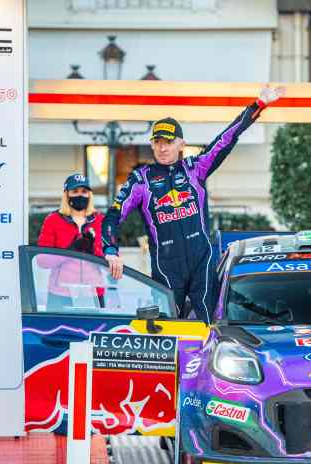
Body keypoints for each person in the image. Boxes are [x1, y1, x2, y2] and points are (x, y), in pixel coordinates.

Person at [103, 85, 286, 324]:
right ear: (152, 144)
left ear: (181, 144)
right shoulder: (140, 180)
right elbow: (113, 215)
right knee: (167, 327)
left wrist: (257, 105)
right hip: (167, 268)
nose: (162, 148)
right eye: (157, 142)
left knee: (209, 324)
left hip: (202, 262)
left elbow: (226, 139)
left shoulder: (195, 168)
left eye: (168, 142)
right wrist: (110, 250)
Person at [37, 173, 105, 310]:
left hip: (92, 293)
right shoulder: (53, 220)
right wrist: (69, 251)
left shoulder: (100, 220)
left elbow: (113, 261)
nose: (80, 195)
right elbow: (42, 260)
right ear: (67, 195)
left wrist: (94, 251)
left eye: (84, 191)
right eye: (75, 191)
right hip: (60, 294)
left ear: (89, 195)